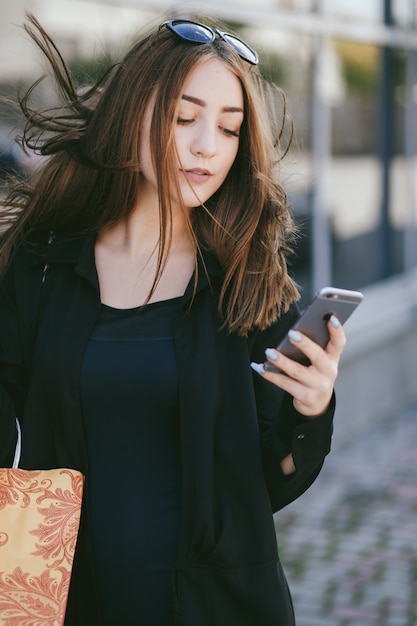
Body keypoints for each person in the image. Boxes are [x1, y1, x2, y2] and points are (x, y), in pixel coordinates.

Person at [0, 14, 346, 626]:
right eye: (185, 118)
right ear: (134, 115)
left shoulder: (248, 278)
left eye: (229, 129)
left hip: (215, 606)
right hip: (68, 599)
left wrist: (311, 408)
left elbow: (269, 482)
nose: (207, 146)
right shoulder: (44, 263)